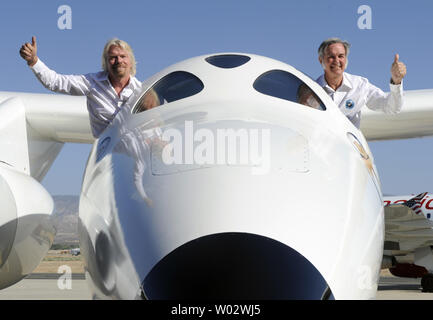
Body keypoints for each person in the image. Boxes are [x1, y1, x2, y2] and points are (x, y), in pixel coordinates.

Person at [19, 36, 141, 137]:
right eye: (113, 58)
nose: (118, 61)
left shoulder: (141, 90)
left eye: (123, 56)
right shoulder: (92, 82)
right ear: (106, 62)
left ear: (130, 61)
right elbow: (55, 82)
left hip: (135, 157)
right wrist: (33, 61)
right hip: (105, 156)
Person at [316, 37, 407, 128]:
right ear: (321, 60)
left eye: (341, 56)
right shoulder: (310, 90)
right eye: (331, 57)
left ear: (346, 59)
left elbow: (392, 107)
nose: (336, 61)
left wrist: (396, 81)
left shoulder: (360, 85)